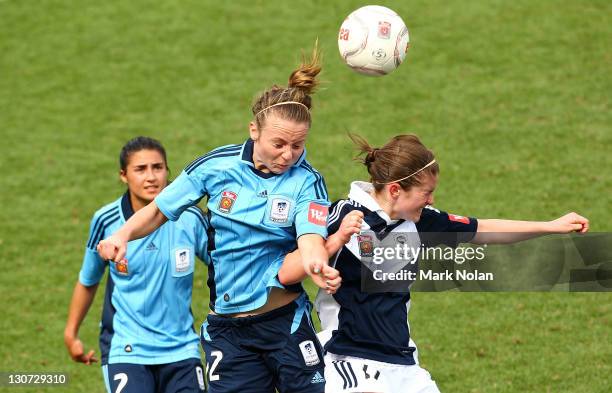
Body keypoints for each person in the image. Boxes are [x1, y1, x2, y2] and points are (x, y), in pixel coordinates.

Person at [97, 47, 341, 393]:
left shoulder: (306, 181)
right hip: (229, 333)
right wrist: (123, 235)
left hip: (284, 325)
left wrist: (318, 263)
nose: (288, 155)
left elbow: (310, 238)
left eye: (298, 146)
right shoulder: (216, 167)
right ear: (253, 130)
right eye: (279, 143)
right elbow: (159, 209)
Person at [301, 133, 587, 393]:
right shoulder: (343, 215)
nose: (431, 199)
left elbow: (483, 229)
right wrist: (327, 252)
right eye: (426, 192)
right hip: (349, 358)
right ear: (396, 190)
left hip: (402, 361)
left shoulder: (421, 221)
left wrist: (550, 226)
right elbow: (294, 259)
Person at [64, 136, 208, 393]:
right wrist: (71, 333)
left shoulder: (191, 218)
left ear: (167, 171)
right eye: (140, 169)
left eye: (158, 167)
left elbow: (224, 263)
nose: (151, 177)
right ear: (123, 175)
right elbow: (88, 280)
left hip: (182, 347)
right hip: (127, 349)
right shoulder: (106, 220)